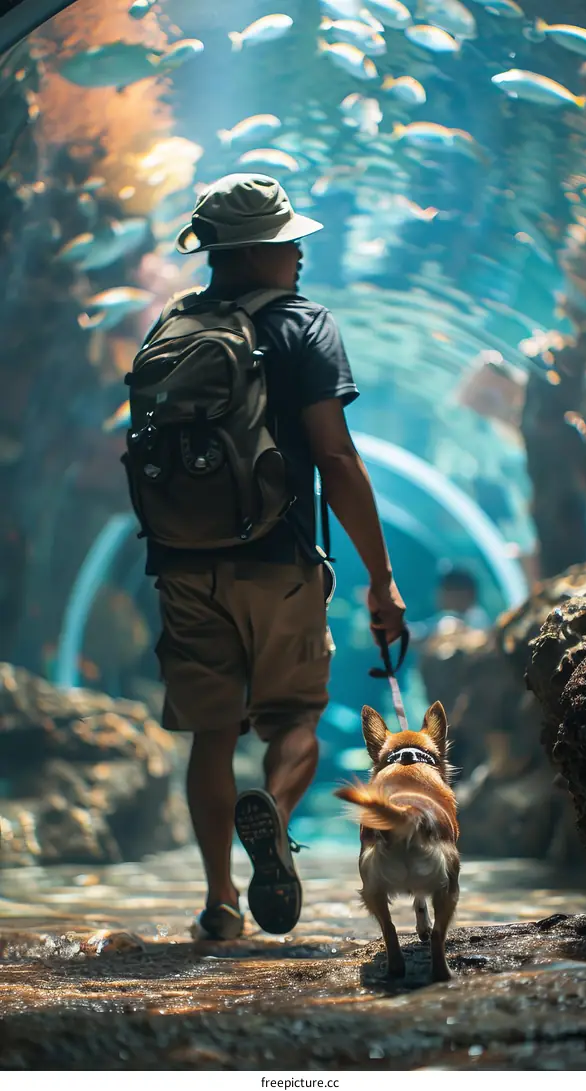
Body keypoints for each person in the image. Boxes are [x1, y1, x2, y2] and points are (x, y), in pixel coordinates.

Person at [143, 174, 407, 940]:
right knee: (294, 714)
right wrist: (380, 579)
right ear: (257, 251)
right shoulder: (303, 324)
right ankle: (276, 814)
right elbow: (337, 456)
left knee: (212, 731)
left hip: (183, 563)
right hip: (279, 559)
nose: (298, 253)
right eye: (288, 240)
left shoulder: (172, 324)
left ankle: (220, 901)